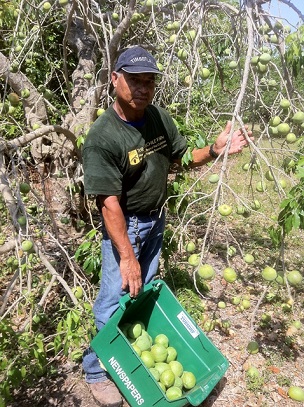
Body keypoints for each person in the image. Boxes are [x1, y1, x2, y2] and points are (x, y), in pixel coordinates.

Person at [82, 46, 253, 407]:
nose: (143, 88)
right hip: (125, 226)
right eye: (134, 80)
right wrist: (126, 255)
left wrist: (214, 149)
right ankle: (96, 370)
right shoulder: (103, 136)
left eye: (149, 81)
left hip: (155, 219)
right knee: (113, 298)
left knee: (141, 296)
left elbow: (181, 157)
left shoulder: (158, 118)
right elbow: (107, 202)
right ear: (115, 80)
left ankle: (130, 361)